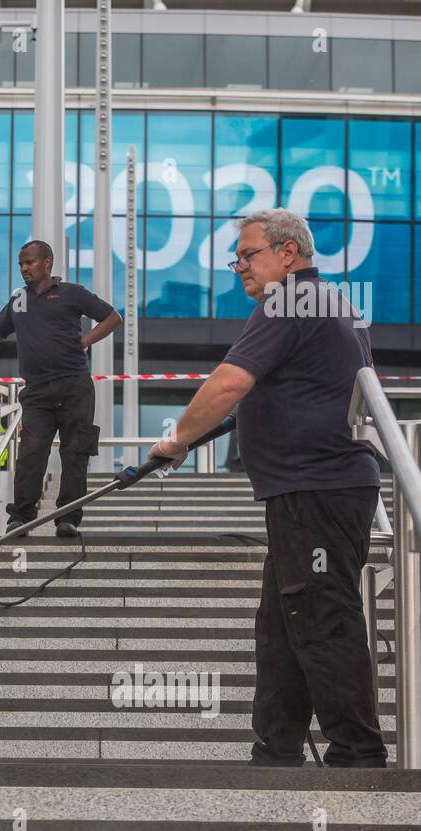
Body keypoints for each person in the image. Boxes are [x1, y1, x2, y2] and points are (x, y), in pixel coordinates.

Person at [145, 208, 387, 768]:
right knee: (283, 623)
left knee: (321, 615)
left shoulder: (289, 299)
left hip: (317, 489)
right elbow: (307, 390)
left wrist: (176, 438)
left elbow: (230, 380)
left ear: (288, 253)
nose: (239, 268)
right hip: (315, 489)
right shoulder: (334, 303)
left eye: (248, 255)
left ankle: (359, 754)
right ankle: (275, 750)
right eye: (237, 258)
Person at [0, 240, 121, 537]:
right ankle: (21, 517)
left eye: (30, 262)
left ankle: (68, 518)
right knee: (31, 452)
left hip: (75, 386)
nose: (24, 268)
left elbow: (113, 317)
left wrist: (85, 341)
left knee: (75, 453)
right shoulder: (18, 299)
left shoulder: (71, 293)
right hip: (36, 391)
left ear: (47, 262)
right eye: (21, 263)